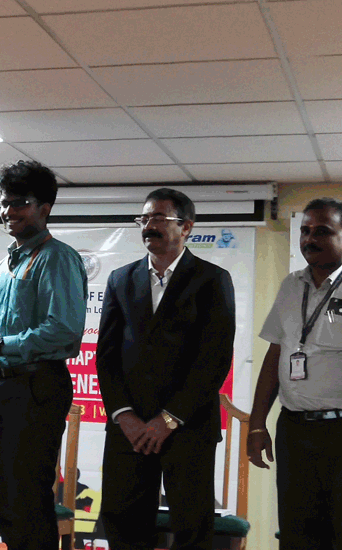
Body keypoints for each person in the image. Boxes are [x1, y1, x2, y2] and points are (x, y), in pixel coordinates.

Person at [0, 161, 88, 550]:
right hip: (3, 390)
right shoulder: (3, 266)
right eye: (3, 203)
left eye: (19, 203)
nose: (8, 211)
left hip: (37, 388)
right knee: (9, 503)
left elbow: (63, 331)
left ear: (45, 208)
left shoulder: (56, 257)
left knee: (28, 501)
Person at [95, 188, 236, 550]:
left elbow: (214, 359)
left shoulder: (211, 279)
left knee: (191, 527)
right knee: (123, 522)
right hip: (130, 428)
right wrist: (124, 415)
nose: (148, 226)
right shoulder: (120, 279)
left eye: (158, 218)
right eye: (143, 218)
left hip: (187, 427)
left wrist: (169, 419)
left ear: (186, 227)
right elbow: (106, 356)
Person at [248, 197, 342, 550]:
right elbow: (276, 354)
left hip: (339, 432)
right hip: (294, 430)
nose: (309, 239)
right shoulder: (291, 285)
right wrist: (257, 425)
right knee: (296, 534)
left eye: (322, 231)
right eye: (305, 231)